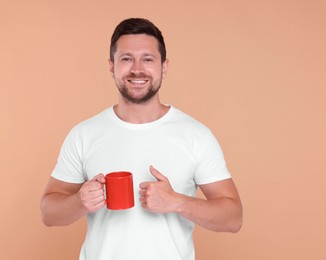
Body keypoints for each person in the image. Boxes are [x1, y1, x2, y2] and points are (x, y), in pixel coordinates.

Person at [40, 17, 243, 260]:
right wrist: (80, 201)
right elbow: (48, 213)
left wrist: (177, 202)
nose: (137, 69)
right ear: (111, 66)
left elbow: (233, 218)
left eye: (147, 59)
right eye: (126, 59)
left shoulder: (196, 135)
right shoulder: (84, 134)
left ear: (164, 67)